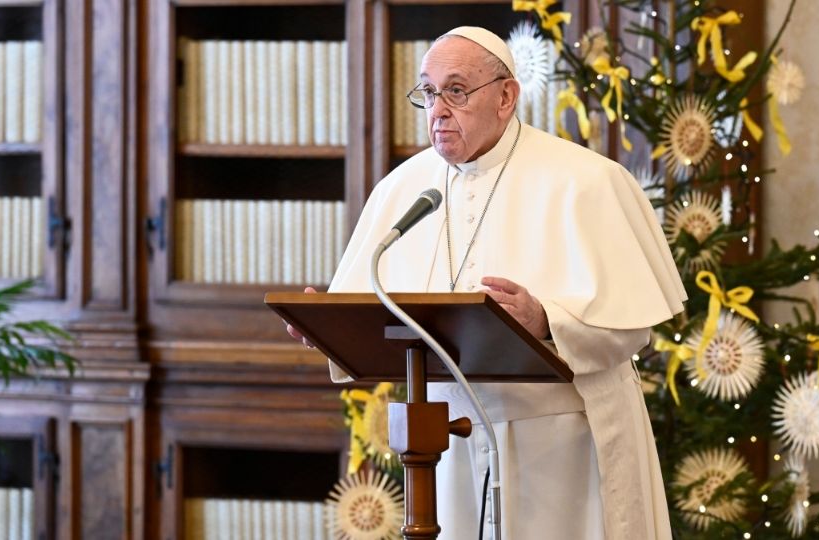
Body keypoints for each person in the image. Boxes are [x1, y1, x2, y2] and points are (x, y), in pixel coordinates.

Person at [287, 26, 686, 539]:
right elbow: (377, 315)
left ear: (506, 96)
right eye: (429, 92)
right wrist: (331, 325)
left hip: (563, 448)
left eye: (456, 90)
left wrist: (546, 319)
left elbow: (631, 329)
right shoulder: (404, 188)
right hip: (445, 452)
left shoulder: (586, 181)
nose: (438, 110)